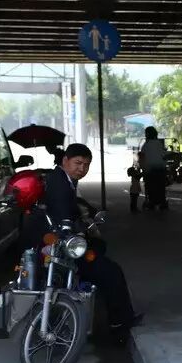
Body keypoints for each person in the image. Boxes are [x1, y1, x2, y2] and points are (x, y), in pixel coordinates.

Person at [40, 143, 143, 336]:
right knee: (111, 271)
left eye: (86, 165)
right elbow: (63, 213)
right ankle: (119, 321)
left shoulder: (63, 179)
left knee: (99, 246)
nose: (82, 168)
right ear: (65, 161)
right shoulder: (59, 184)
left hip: (60, 241)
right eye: (78, 163)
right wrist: (78, 229)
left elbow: (74, 207)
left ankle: (96, 303)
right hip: (61, 245)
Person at [139, 126, 167, 210]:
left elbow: (142, 157)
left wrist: (142, 168)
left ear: (147, 134)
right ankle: (162, 202)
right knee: (161, 187)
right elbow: (163, 155)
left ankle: (151, 202)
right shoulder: (159, 144)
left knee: (150, 187)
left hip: (149, 170)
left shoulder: (146, 145)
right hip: (161, 169)